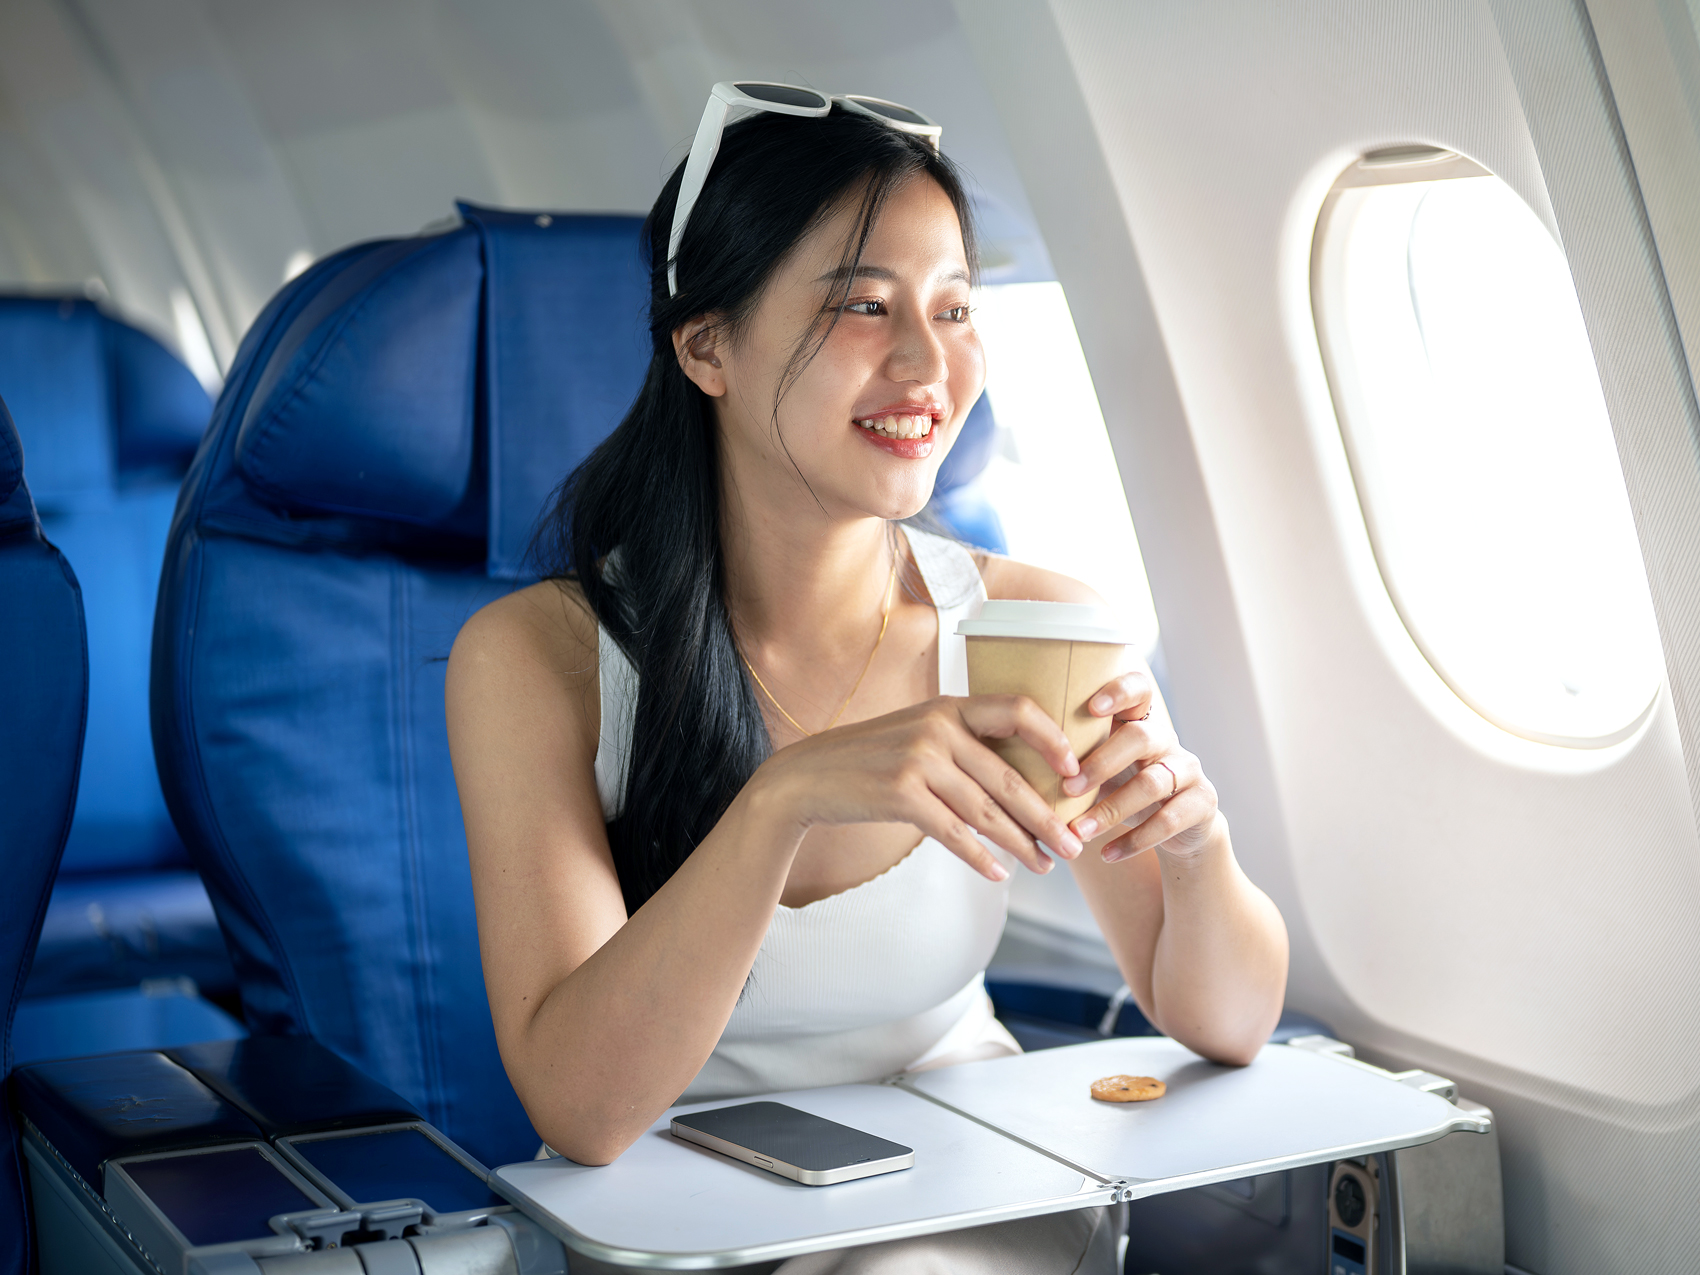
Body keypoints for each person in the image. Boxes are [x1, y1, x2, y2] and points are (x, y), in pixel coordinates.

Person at [445, 85, 1289, 1274]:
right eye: (861, 305)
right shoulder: (541, 659)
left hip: (974, 1204)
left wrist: (1197, 851)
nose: (925, 363)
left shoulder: (1030, 626)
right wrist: (783, 802)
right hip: (685, 1225)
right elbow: (581, 1113)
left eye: (953, 308)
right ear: (704, 346)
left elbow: (1224, 1020)